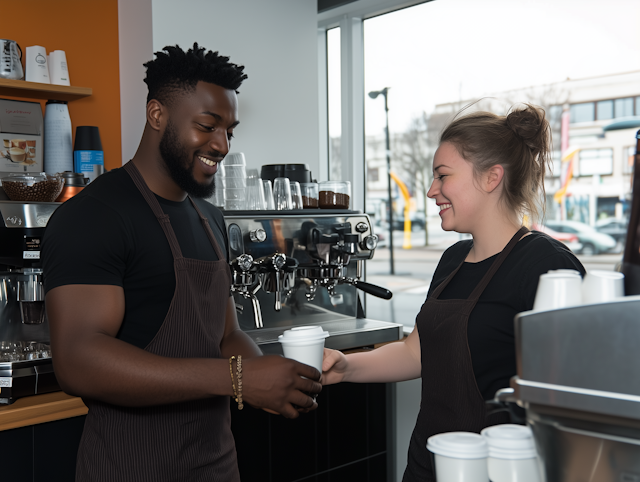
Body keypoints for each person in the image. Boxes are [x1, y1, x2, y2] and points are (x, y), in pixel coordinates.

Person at [42, 43, 322, 482]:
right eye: (208, 126)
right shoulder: (94, 215)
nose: (222, 144)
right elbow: (79, 359)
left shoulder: (209, 217)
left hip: (215, 466)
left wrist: (272, 379)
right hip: (130, 468)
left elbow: (225, 333)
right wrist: (236, 379)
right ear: (157, 115)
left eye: (230, 130)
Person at [322, 104, 585, 481]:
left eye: (442, 176)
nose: (431, 191)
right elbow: (418, 351)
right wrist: (347, 369)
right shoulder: (453, 259)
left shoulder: (547, 267)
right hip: (428, 464)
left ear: (492, 177)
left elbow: (573, 395)